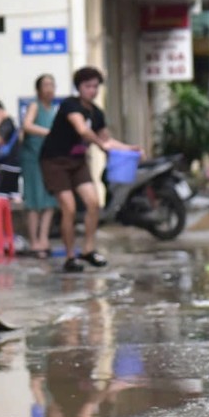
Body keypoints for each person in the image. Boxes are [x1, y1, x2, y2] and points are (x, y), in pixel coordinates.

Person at [40, 66, 139, 273]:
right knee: (69, 207)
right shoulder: (70, 105)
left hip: (78, 162)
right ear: (79, 87)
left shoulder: (97, 113)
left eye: (95, 86)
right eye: (88, 86)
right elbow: (82, 130)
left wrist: (129, 148)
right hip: (55, 161)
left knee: (93, 203)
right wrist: (101, 145)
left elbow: (106, 139)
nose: (92, 90)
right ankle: (70, 256)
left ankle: (88, 249)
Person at [18, 74, 61, 256]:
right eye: (45, 85)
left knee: (50, 200)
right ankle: (34, 241)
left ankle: (44, 239)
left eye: (52, 84)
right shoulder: (34, 106)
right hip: (33, 158)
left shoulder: (54, 109)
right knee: (34, 200)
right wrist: (49, 133)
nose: (49, 88)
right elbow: (27, 126)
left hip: (48, 158)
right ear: (38, 89)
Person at [0, 99, 22, 197]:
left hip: (7, 165)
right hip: (14, 164)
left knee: (0, 195)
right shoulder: (11, 122)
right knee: (13, 194)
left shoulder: (6, 123)